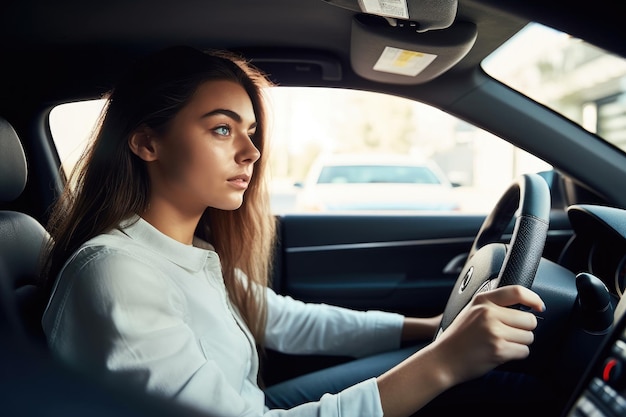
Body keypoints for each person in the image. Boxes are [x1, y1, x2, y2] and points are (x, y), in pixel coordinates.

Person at [40, 45, 546, 417]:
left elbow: (289, 320)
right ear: (147, 143)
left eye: (250, 132)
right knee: (494, 389)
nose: (250, 153)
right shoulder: (117, 274)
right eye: (222, 129)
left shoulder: (183, 251)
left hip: (250, 403)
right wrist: (443, 363)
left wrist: (431, 329)